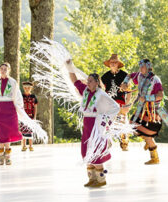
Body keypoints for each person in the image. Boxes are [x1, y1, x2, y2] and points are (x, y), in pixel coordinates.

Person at [66, 59, 120, 187]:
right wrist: (69, 66)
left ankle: (101, 179)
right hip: (87, 124)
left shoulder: (101, 94)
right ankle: (91, 179)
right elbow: (75, 81)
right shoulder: (85, 90)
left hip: (96, 126)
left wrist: (104, 121)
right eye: (88, 80)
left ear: (97, 83)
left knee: (96, 149)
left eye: (90, 81)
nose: (88, 82)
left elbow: (115, 107)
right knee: (87, 150)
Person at [121, 59, 163, 164]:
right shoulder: (139, 76)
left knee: (147, 134)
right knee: (132, 125)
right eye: (140, 66)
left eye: (143, 66)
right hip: (142, 109)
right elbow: (130, 75)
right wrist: (125, 83)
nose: (141, 68)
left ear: (148, 67)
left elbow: (160, 96)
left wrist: (147, 98)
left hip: (152, 112)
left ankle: (155, 157)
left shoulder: (155, 79)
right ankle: (149, 143)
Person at [101, 54, 131, 151]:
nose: (113, 64)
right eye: (111, 63)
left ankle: (124, 142)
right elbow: (101, 90)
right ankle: (107, 142)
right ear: (109, 64)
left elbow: (129, 91)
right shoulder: (105, 76)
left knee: (122, 122)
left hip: (121, 104)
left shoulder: (124, 75)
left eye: (115, 62)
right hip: (109, 104)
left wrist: (127, 104)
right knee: (107, 123)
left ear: (118, 64)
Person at [20, 81, 38, 152]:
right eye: (25, 88)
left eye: (28, 88)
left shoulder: (33, 97)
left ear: (31, 88)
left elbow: (35, 107)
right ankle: (23, 145)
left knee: (30, 130)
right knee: (23, 130)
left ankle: (31, 145)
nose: (27, 89)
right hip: (23, 116)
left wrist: (35, 116)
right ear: (23, 88)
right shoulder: (21, 96)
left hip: (31, 116)